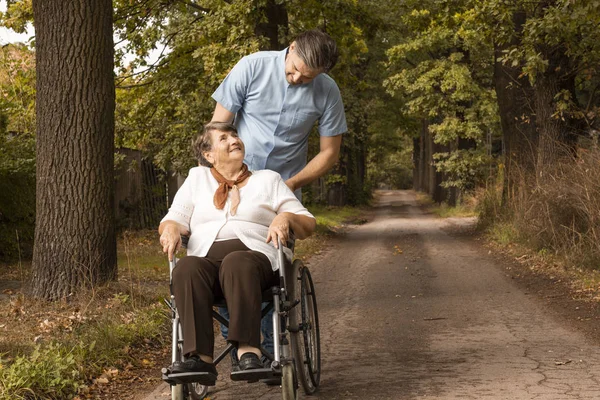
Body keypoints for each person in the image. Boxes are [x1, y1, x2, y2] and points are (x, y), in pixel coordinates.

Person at [211, 29, 347, 360]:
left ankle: (274, 354)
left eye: (308, 76)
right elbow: (218, 126)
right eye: (295, 69)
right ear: (290, 48)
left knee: (274, 270)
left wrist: (292, 184)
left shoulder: (327, 92)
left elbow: (329, 153)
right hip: (234, 180)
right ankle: (240, 344)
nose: (298, 78)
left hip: (281, 188)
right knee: (223, 257)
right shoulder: (251, 67)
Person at [158, 122, 316, 384]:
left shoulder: (268, 179)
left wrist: (284, 217)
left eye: (235, 135)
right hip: (207, 263)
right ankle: (200, 359)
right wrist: (171, 229)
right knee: (186, 268)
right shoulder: (197, 179)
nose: (234, 140)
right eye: (224, 138)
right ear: (208, 155)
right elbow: (174, 218)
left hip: (256, 261)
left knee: (236, 261)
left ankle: (248, 352)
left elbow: (307, 223)